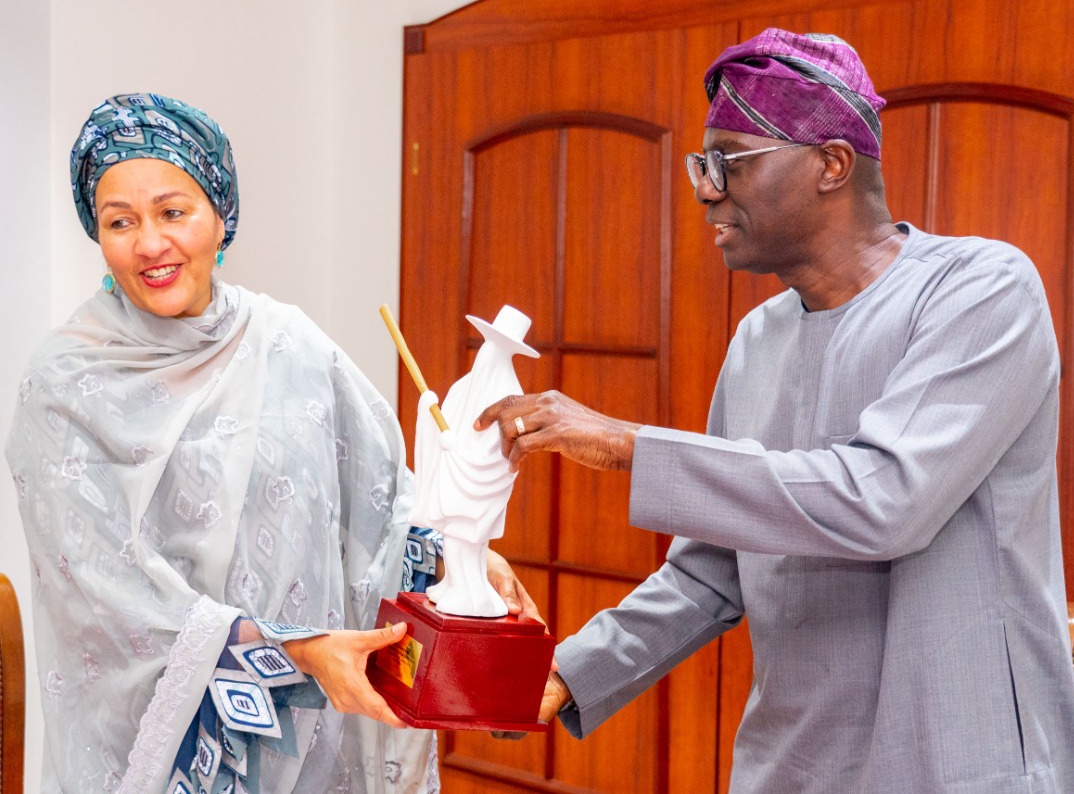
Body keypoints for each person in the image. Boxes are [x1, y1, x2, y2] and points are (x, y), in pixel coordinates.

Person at [476, 29, 1074, 793]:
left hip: (957, 761)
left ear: (831, 164)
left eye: (731, 160)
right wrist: (563, 675)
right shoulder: (759, 338)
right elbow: (710, 570)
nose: (705, 189)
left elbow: (883, 501)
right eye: (702, 163)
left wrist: (628, 444)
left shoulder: (982, 290)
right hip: (792, 767)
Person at [5, 93, 538, 794]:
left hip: (319, 738)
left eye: (173, 212)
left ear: (220, 215)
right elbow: (104, 593)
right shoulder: (64, 382)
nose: (149, 244)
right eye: (119, 221)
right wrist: (302, 651)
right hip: (162, 753)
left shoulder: (290, 344)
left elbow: (381, 496)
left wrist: (462, 559)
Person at [412, 305, 539, 617]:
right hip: (456, 478)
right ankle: (457, 586)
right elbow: (449, 420)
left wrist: (456, 451)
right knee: (455, 539)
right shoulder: (467, 385)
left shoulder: (511, 395)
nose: (487, 352)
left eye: (496, 346)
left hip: (474, 485)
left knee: (465, 541)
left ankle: (470, 593)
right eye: (488, 343)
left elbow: (500, 452)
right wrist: (429, 414)